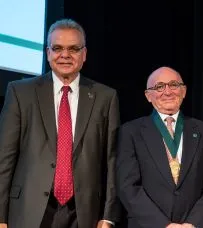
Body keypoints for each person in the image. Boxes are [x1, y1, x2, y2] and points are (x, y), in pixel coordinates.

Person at [0, 19, 121, 228]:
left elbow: (113, 161)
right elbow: (4, 159)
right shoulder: (20, 92)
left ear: (84, 54)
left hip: (84, 214)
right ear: (48, 53)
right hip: (28, 211)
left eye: (73, 48)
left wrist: (108, 216)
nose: (65, 55)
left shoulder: (105, 97)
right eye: (57, 48)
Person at [116, 66, 203, 228]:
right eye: (159, 87)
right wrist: (164, 225)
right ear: (148, 95)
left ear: (184, 91)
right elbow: (128, 187)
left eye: (174, 85)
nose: (168, 92)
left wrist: (193, 223)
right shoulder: (131, 132)